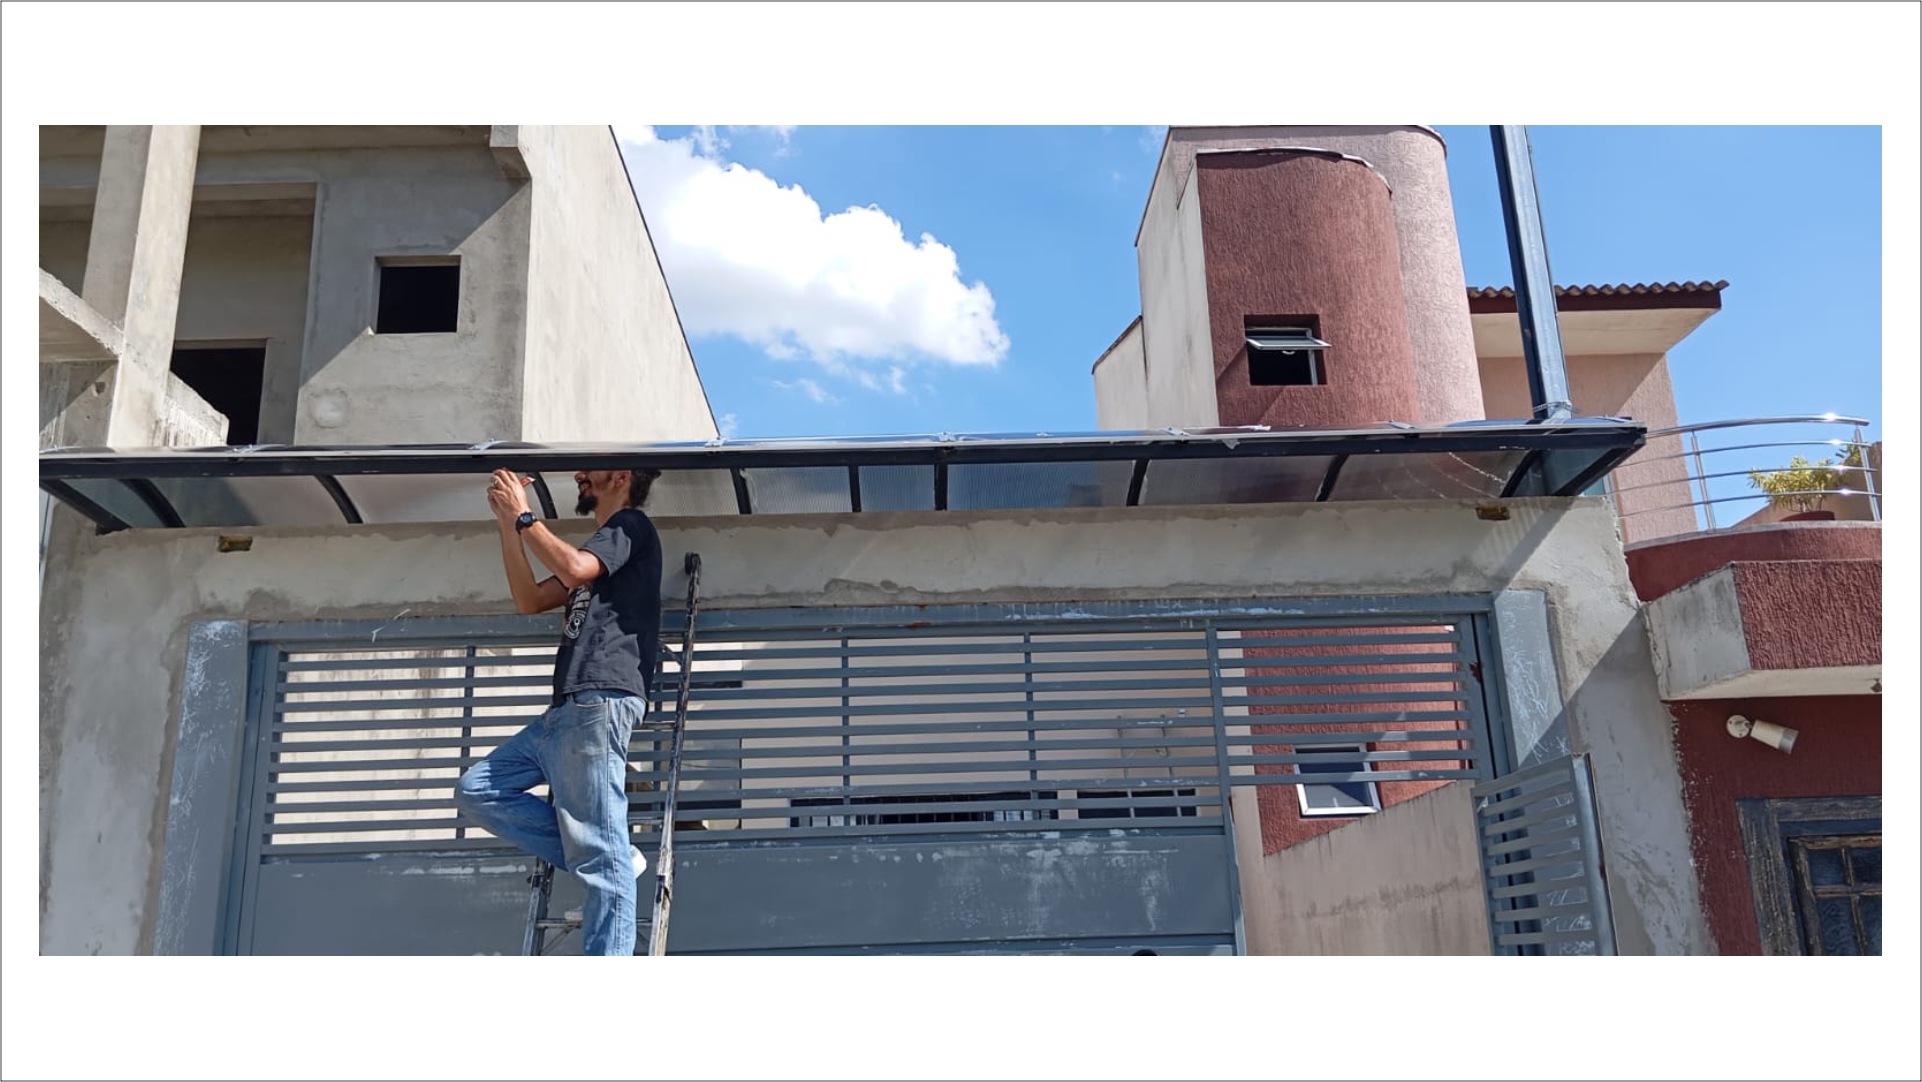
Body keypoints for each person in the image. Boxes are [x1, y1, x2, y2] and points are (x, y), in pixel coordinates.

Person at [453, 466, 665, 956]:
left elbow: (572, 570)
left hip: (600, 700)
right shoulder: (598, 549)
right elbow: (530, 599)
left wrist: (525, 516)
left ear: (620, 477)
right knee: (477, 790)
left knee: (601, 859)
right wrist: (508, 524)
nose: (578, 475)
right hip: (566, 710)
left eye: (589, 470)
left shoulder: (630, 526)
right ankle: (612, 853)